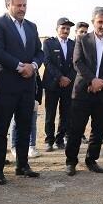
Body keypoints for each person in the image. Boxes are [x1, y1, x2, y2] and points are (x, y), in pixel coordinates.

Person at [0, 0, 44, 184]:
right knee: (1, 128)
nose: (22, 9)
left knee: (24, 126)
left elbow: (39, 51)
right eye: (18, 5)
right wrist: (21, 67)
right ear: (8, 5)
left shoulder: (31, 26)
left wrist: (34, 65)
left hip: (27, 86)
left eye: (24, 5)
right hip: (5, 86)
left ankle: (22, 165)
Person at [64, 6, 103, 176]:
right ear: (93, 22)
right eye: (100, 22)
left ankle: (91, 159)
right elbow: (77, 62)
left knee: (98, 129)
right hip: (82, 92)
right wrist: (92, 80)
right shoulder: (82, 40)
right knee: (76, 128)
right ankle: (71, 161)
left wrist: (101, 82)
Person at [43, 17, 76, 151]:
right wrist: (60, 77)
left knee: (65, 113)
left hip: (68, 84)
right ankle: (49, 140)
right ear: (57, 29)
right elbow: (47, 62)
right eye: (63, 28)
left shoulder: (73, 44)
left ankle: (60, 139)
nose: (65, 30)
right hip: (52, 83)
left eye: (68, 28)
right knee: (50, 113)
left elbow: (76, 63)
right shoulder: (49, 43)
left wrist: (68, 78)